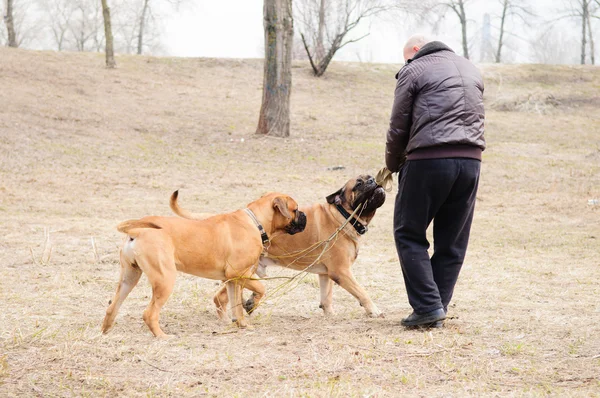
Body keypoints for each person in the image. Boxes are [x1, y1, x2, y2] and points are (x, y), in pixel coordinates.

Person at [385, 35, 486, 328]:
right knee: (452, 242)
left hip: (427, 160)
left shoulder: (414, 69)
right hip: (471, 161)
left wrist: (392, 165)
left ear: (415, 51)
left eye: (406, 58)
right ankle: (436, 306)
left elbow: (398, 124)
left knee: (409, 233)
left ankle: (428, 307)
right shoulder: (472, 69)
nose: (405, 63)